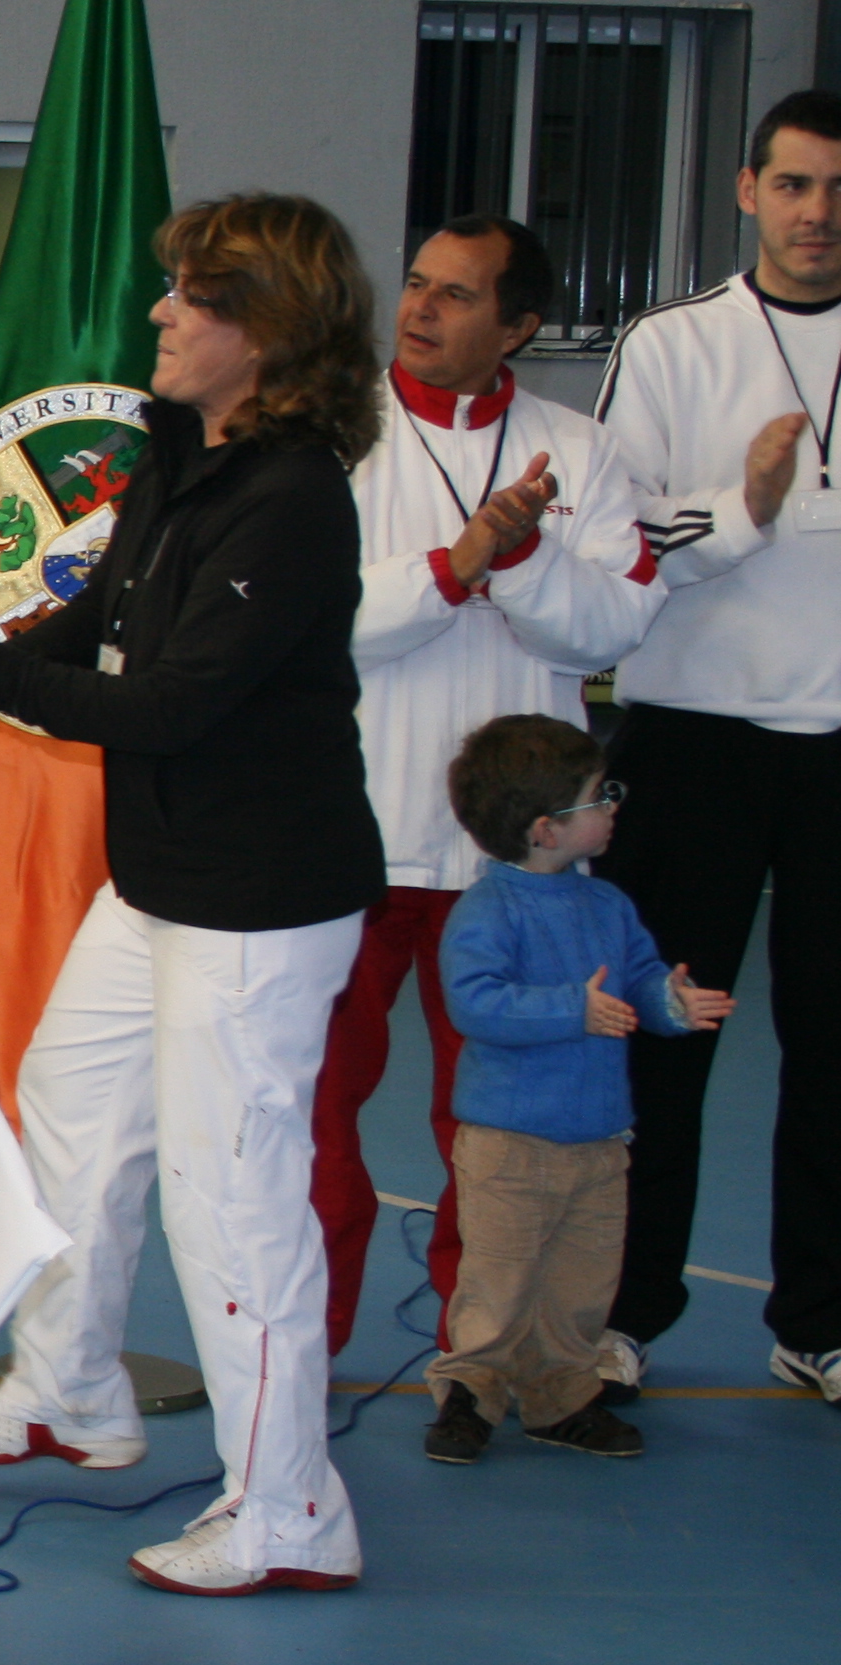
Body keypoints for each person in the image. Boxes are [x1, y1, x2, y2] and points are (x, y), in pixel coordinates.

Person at [0, 193, 386, 1596]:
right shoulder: (181, 452)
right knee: (72, 1108)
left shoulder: (291, 499)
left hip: (259, 901)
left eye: (192, 297)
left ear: (265, 331)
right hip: (160, 878)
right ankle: (69, 1386)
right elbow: (110, 618)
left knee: (233, 1197)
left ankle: (290, 1509)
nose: (161, 312)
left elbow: (172, 704)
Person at [312, 218, 654, 1353]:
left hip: (519, 867)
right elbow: (308, 620)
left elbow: (613, 626)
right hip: (349, 840)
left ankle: (485, 1361)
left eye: (456, 295)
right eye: (416, 284)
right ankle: (302, 1345)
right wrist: (454, 569)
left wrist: (525, 556)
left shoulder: (581, 452)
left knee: (507, 1133)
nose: (419, 308)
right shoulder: (329, 431)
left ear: (519, 327)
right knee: (312, 1116)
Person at [588, 90, 841, 1407]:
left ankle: (820, 1323)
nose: (818, 213)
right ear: (747, 190)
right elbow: (615, 538)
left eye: (839, 189)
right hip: (694, 740)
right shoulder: (673, 345)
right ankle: (626, 1315)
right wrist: (741, 507)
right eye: (794, 184)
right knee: (663, 1037)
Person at [425, 716, 732, 1466]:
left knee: (581, 1284)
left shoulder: (608, 905)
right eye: (600, 796)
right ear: (546, 830)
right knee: (498, 1281)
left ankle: (560, 1397)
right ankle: (471, 1391)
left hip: (599, 1141)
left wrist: (670, 1003)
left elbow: (640, 977)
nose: (613, 806)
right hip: (508, 1143)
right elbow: (476, 1003)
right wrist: (573, 1009)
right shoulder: (486, 911)